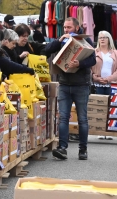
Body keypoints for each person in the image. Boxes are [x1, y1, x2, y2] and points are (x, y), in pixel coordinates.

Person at [46, 17, 96, 160]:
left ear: (77, 27)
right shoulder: (62, 40)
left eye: (69, 27)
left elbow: (93, 60)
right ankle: (62, 148)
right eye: (65, 27)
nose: (67, 30)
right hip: (64, 84)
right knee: (63, 117)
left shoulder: (85, 40)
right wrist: (59, 40)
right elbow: (47, 50)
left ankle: (83, 150)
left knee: (82, 119)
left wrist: (79, 63)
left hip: (81, 85)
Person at [91, 30, 117, 140]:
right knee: (99, 108)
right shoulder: (93, 52)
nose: (102, 39)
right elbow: (88, 68)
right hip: (97, 83)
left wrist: (109, 79)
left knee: (112, 107)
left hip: (112, 83)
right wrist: (95, 78)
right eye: (100, 37)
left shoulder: (115, 53)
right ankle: (100, 130)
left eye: (105, 37)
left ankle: (109, 131)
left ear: (109, 39)